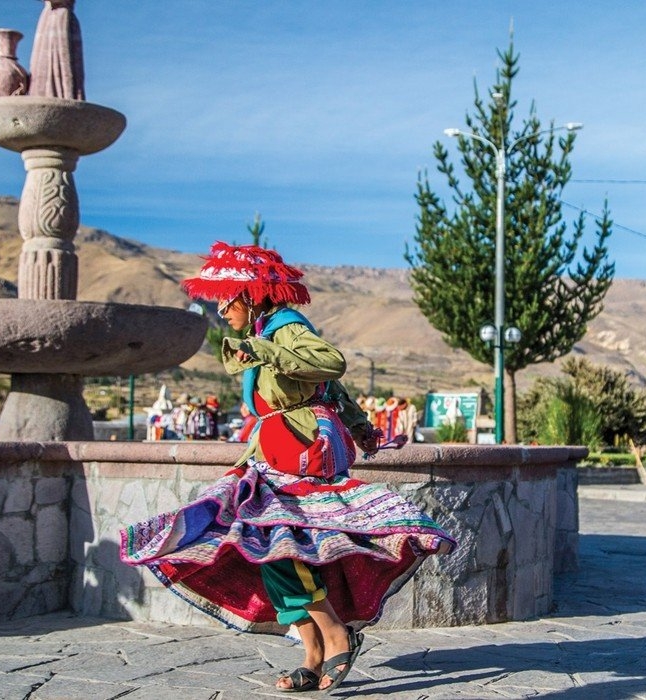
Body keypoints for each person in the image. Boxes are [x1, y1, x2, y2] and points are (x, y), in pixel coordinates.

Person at [119, 242, 454, 693]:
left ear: (252, 294)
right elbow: (329, 385)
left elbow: (330, 363)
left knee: (280, 542)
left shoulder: (284, 327)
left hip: (302, 447)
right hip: (275, 447)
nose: (221, 307)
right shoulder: (266, 331)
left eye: (228, 297)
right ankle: (314, 653)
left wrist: (268, 349)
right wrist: (359, 424)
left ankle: (334, 633)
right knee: (268, 541)